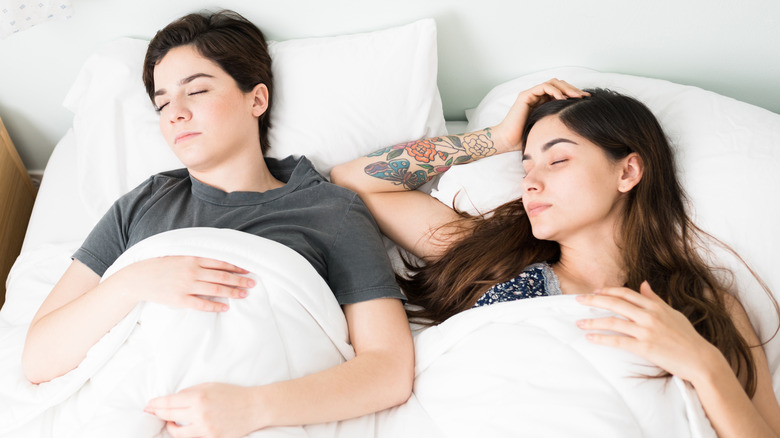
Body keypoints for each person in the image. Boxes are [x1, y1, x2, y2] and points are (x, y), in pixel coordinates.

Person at [22, 10, 413, 437]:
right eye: (163, 102)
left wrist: (252, 407)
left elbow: (388, 368)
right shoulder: (141, 206)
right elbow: (40, 358)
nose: (175, 113)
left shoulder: (329, 209)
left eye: (198, 90)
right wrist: (133, 281)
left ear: (256, 100)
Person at [331, 79, 780, 437]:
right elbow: (355, 179)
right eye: (525, 166)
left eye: (557, 161)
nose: (529, 182)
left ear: (628, 170)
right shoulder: (493, 258)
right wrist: (497, 139)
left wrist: (702, 364)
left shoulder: (700, 302)